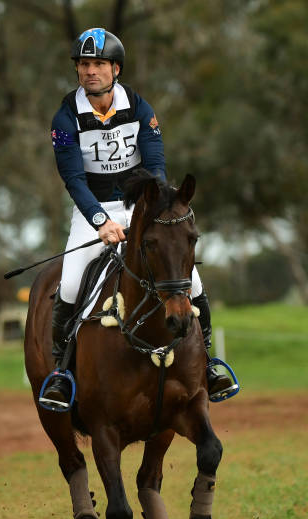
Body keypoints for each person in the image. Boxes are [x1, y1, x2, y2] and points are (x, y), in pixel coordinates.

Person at [41, 27, 232, 409]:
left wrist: (152, 209)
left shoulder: (141, 109)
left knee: (190, 280)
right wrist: (100, 221)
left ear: (115, 68)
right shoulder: (65, 119)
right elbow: (73, 179)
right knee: (71, 283)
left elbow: (156, 165)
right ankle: (61, 371)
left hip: (139, 205)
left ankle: (209, 363)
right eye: (83, 64)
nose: (89, 71)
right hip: (91, 209)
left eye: (97, 64)